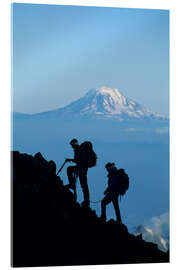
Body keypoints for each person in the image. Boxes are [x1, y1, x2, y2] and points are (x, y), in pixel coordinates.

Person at [66, 138, 90, 207]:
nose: (72, 146)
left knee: (84, 185)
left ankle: (72, 185)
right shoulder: (79, 149)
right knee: (84, 185)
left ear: (73, 144)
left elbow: (78, 160)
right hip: (82, 169)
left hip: (81, 169)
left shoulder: (78, 150)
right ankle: (86, 201)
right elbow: (79, 160)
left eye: (71, 145)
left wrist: (70, 160)